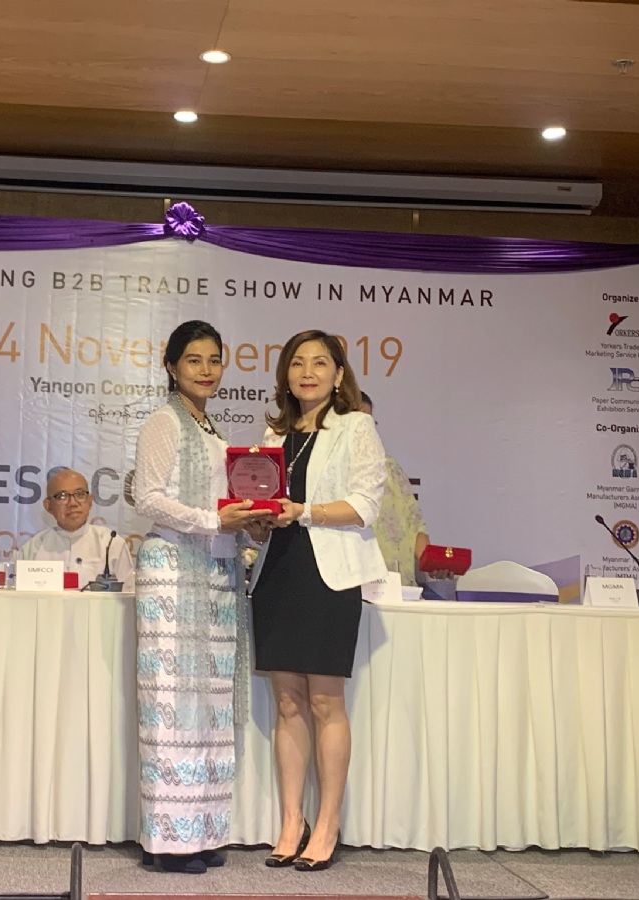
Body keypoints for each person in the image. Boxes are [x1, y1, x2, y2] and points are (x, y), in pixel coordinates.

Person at [132, 320, 272, 875]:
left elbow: (220, 509)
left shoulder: (211, 429)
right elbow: (147, 498)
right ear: (171, 366)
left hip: (215, 573)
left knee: (208, 711)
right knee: (173, 709)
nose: (206, 370)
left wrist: (247, 526)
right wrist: (215, 519)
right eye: (194, 360)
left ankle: (202, 831)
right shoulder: (163, 421)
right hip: (172, 571)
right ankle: (167, 842)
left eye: (215, 360)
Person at [248, 329, 386, 872]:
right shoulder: (272, 434)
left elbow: (366, 505)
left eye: (320, 363)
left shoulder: (356, 426)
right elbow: (267, 510)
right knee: (287, 703)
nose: (308, 372)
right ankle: (291, 821)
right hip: (277, 572)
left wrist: (301, 511)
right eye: (297, 363)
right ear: (285, 375)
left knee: (325, 702)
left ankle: (327, 824)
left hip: (329, 576)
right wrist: (258, 522)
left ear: (338, 374)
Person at [359, 392, 455, 593]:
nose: (365, 430)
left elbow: (414, 525)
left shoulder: (389, 467)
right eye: (358, 422)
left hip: (398, 589)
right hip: (352, 588)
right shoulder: (325, 470)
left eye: (370, 423)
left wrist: (432, 563)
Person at [17, 468, 135, 591]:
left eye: (80, 494)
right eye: (62, 496)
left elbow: (127, 595)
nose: (72, 503)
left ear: (90, 501)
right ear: (48, 506)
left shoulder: (111, 544)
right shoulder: (32, 549)